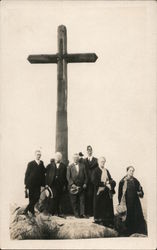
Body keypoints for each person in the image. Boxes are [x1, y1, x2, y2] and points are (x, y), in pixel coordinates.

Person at [118, 166, 146, 235]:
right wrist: (120, 203)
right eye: (130, 170)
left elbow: (140, 190)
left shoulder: (135, 181)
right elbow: (120, 194)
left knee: (137, 217)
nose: (132, 172)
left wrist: (140, 192)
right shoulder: (122, 181)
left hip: (135, 203)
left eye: (133, 171)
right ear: (127, 171)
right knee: (127, 217)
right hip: (127, 202)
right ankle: (128, 232)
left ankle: (136, 231)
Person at [92, 157, 116, 227]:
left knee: (107, 207)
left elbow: (110, 179)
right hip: (99, 192)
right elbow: (94, 181)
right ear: (98, 162)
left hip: (106, 193)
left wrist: (111, 182)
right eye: (101, 161)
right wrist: (104, 184)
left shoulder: (106, 170)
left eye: (104, 162)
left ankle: (108, 221)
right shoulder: (95, 170)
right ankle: (99, 221)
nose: (103, 163)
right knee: (100, 207)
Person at [45, 152, 67, 217]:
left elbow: (65, 177)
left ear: (61, 158)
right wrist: (46, 184)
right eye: (57, 157)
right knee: (53, 197)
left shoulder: (63, 166)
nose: (58, 158)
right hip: (52, 184)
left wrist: (64, 185)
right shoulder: (50, 165)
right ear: (55, 158)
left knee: (59, 198)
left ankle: (58, 212)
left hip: (60, 184)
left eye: (59, 157)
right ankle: (51, 212)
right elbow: (47, 176)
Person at [24, 150, 45, 216]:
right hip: (31, 183)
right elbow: (27, 174)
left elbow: (43, 172)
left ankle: (26, 210)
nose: (38, 156)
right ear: (35, 155)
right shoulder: (30, 163)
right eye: (37, 154)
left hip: (38, 184)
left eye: (39, 155)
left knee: (37, 197)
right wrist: (26, 184)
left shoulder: (41, 163)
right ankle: (31, 212)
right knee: (31, 198)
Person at [67, 153, 88, 218]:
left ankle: (82, 213)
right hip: (73, 187)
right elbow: (68, 177)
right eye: (74, 158)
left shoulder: (83, 166)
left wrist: (85, 183)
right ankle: (76, 214)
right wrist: (72, 184)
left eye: (77, 158)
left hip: (81, 186)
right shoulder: (70, 166)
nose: (75, 159)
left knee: (82, 200)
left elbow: (86, 176)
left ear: (78, 159)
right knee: (74, 201)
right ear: (73, 159)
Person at [84, 145, 98, 217]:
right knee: (87, 196)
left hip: (93, 181)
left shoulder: (96, 160)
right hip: (86, 182)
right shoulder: (84, 160)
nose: (89, 151)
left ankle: (93, 212)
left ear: (92, 151)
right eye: (88, 150)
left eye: (90, 150)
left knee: (93, 196)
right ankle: (88, 212)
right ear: (86, 151)